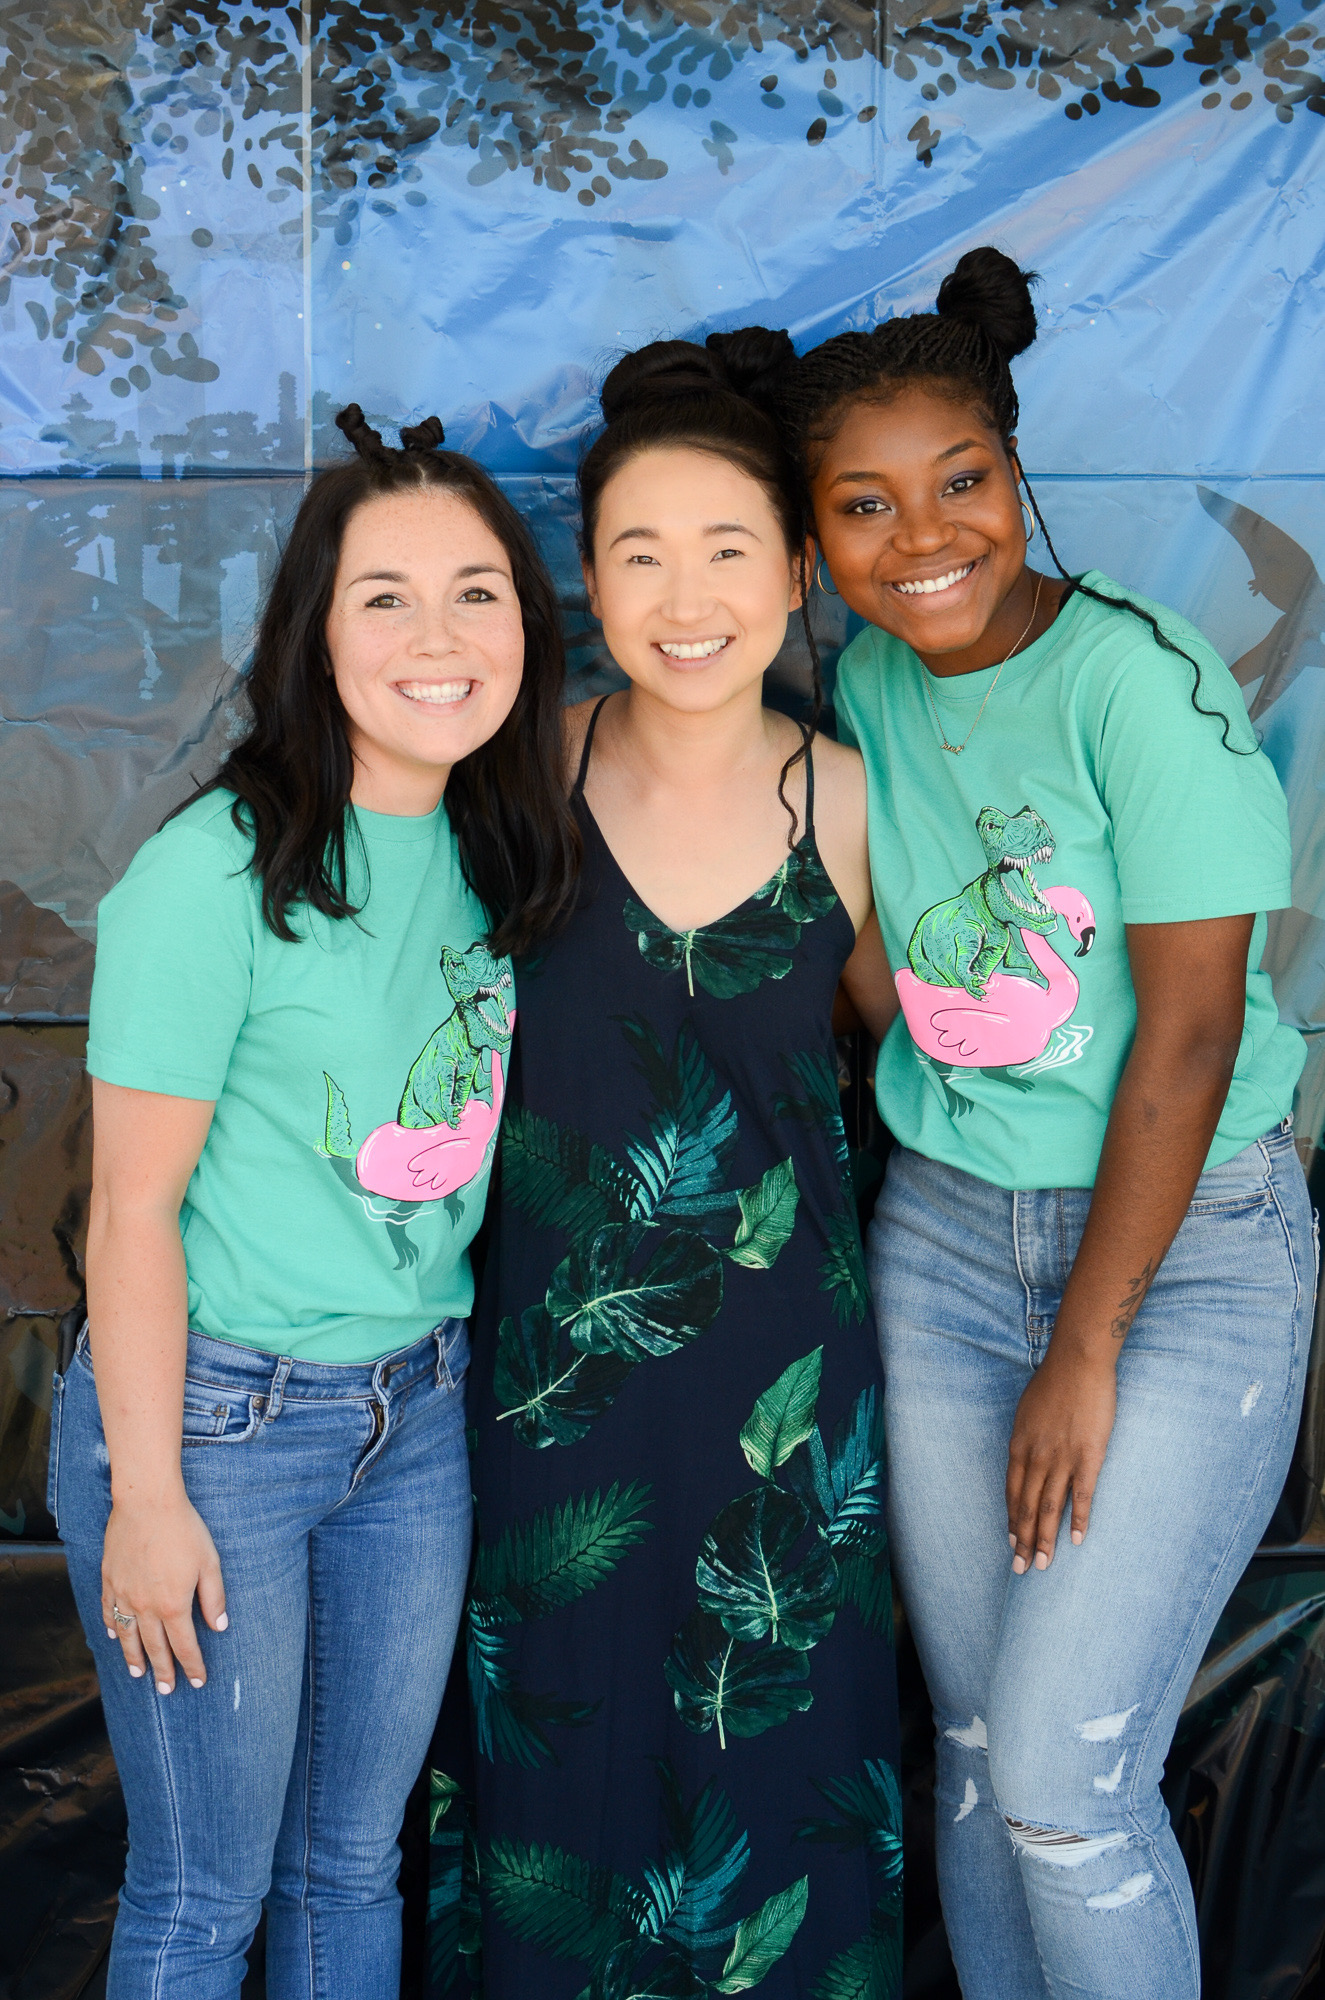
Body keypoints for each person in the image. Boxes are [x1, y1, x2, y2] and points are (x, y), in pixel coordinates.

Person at [769, 249, 1314, 1999]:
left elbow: (1188, 1033)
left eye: (961, 484)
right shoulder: (864, 691)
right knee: (983, 1753)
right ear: (811, 539)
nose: (921, 536)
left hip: (1176, 1244)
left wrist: (1084, 1346)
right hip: (941, 1233)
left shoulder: (1137, 687)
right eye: (862, 506)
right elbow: (874, 950)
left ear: (1016, 472)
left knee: (1073, 1788)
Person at [49, 406, 578, 2000]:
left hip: (413, 1414)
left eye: (477, 590)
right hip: (217, 1425)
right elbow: (127, 1212)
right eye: (385, 597)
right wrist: (149, 1497)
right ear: (312, 631)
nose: (439, 637)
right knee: (205, 1895)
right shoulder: (214, 875)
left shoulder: (499, 840)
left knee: (355, 1864)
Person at [434, 336, 902, 1995]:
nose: (683, 594)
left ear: (792, 574)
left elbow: (901, 1050)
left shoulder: (846, 802)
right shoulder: (510, 786)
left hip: (789, 1400)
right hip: (551, 1396)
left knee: (773, 1781)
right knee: (561, 1766)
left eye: (725, 550)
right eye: (639, 553)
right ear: (586, 581)